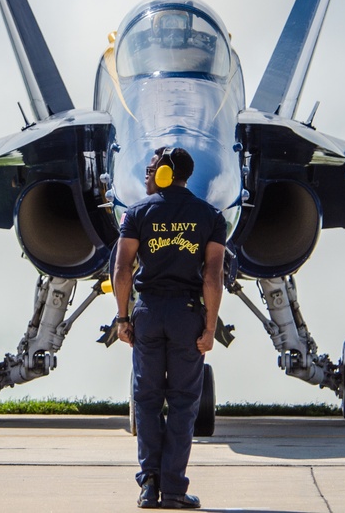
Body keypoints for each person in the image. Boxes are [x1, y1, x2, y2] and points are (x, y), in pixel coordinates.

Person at [113, 146, 226, 509]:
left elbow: (121, 269)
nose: (146, 175)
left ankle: (149, 485)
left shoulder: (137, 214)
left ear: (163, 172)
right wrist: (209, 328)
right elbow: (213, 275)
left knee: (146, 400)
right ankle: (174, 490)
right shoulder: (210, 216)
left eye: (150, 169)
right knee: (182, 402)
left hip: (147, 313)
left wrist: (122, 318)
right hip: (187, 314)